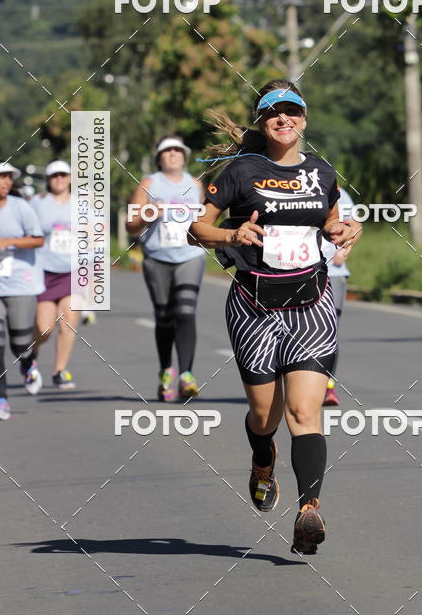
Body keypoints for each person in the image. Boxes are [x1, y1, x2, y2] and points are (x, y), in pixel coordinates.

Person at [189, 80, 359, 554]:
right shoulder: (241, 171)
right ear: (263, 123)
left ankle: (309, 511)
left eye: (292, 111)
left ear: (304, 119)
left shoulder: (322, 172)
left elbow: (329, 221)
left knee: (305, 412)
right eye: (273, 113)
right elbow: (195, 228)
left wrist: (343, 229)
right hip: (254, 306)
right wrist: (230, 234)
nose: (283, 119)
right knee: (265, 416)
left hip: (311, 303)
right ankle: (262, 459)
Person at [127, 136, 206, 402]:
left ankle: (186, 375)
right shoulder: (150, 183)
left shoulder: (195, 184)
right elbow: (131, 225)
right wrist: (149, 212)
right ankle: (165, 372)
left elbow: (205, 220)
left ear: (184, 156)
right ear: (159, 157)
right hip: (157, 256)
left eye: (177, 151)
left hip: (189, 255)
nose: (172, 154)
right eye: (167, 151)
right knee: (164, 316)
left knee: (185, 310)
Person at [0, 160, 45, 420]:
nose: (7, 182)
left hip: (20, 283)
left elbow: (38, 239)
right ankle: (1, 401)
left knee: (19, 343)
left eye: (10, 178)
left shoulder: (20, 208)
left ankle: (28, 362)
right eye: (1, 177)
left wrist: (9, 241)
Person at [30, 160, 79, 389]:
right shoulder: (38, 204)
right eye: (54, 175)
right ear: (48, 180)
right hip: (45, 271)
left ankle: (60, 370)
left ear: (70, 177)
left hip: (72, 270)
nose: (59, 179)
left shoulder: (82, 204)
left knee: (68, 321)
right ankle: (32, 352)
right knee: (45, 328)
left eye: (63, 174)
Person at [321, 186, 355, 406]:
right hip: (298, 271)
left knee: (329, 331)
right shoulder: (294, 189)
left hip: (333, 272)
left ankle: (327, 387)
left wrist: (344, 249)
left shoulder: (340, 194)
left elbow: (353, 225)